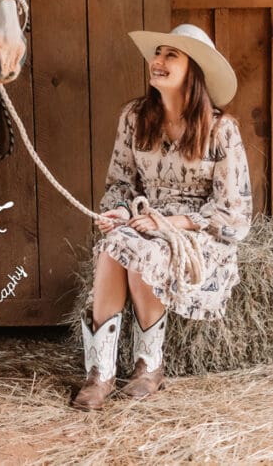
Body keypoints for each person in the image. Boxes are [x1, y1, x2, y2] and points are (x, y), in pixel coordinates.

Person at [72, 24, 253, 410]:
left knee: (143, 254)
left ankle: (148, 365)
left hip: (195, 233)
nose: (158, 61)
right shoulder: (134, 118)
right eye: (158, 53)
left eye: (172, 55)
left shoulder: (222, 130)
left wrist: (171, 225)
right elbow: (120, 183)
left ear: (194, 70)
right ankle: (99, 374)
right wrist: (119, 211)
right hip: (144, 221)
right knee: (112, 246)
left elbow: (233, 212)